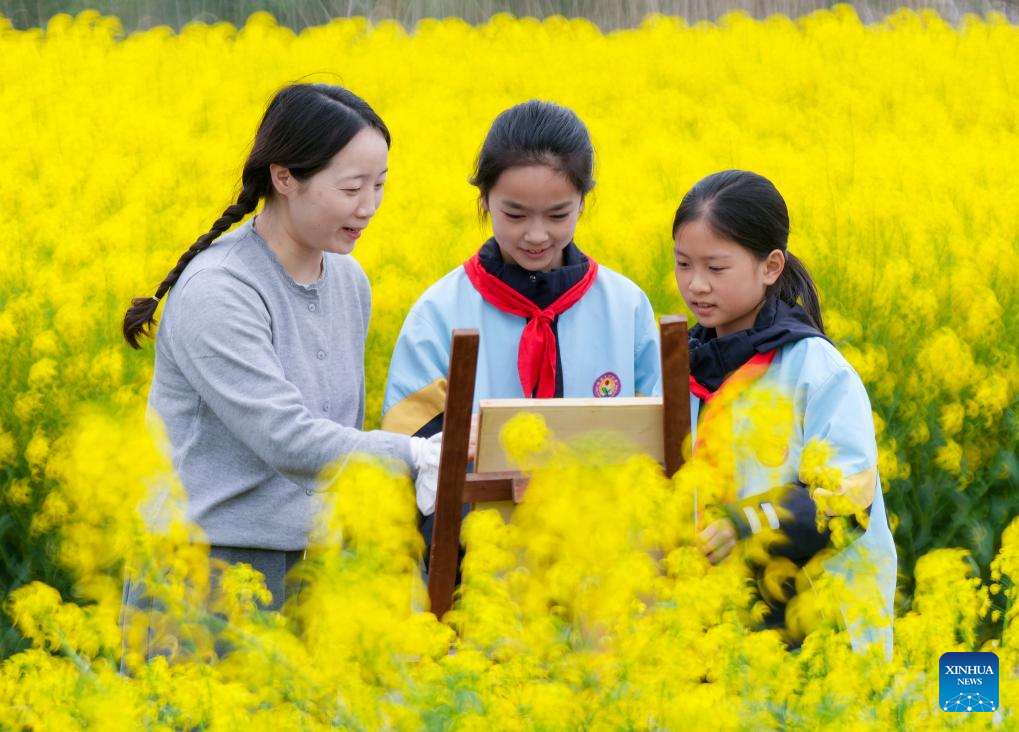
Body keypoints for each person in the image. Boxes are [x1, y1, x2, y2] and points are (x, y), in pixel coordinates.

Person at [122, 83, 440, 612]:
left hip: (315, 564)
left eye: (379, 186)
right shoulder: (220, 290)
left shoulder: (348, 279)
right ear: (284, 176)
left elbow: (337, 426)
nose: (369, 207)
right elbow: (288, 438)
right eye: (352, 188)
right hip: (203, 570)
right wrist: (410, 455)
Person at [382, 100, 661, 547]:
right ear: (484, 198)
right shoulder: (439, 311)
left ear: (583, 201)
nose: (536, 235)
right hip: (476, 556)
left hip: (606, 556)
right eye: (514, 215)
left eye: (558, 215)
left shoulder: (626, 307)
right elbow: (412, 453)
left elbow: (662, 439)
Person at [672, 169, 896, 657]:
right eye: (683, 264)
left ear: (770, 266)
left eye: (716, 267)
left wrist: (744, 522)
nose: (696, 285)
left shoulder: (816, 371)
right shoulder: (677, 369)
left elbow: (846, 500)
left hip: (814, 634)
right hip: (711, 631)